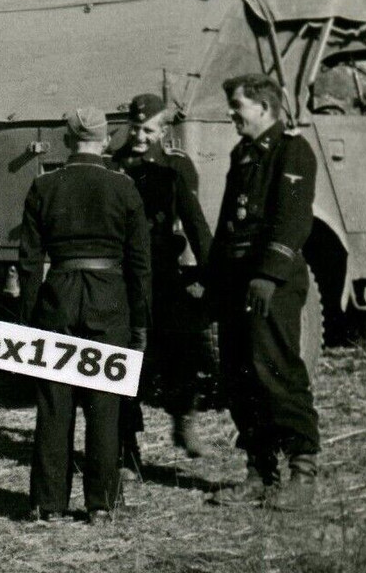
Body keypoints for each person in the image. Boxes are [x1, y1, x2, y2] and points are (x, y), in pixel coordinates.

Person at [18, 106, 152, 525]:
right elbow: (140, 264)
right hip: (109, 300)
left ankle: (47, 504)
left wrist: (28, 319)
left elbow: (27, 263)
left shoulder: (44, 186)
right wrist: (141, 321)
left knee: (54, 404)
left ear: (66, 138)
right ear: (105, 139)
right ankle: (102, 504)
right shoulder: (123, 186)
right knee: (104, 404)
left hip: (59, 296)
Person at [208, 74, 320, 511]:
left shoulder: (292, 150)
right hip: (239, 283)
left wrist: (268, 274)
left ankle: (302, 474)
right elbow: (227, 225)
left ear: (264, 107)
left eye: (238, 105)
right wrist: (214, 281)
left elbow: (293, 219)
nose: (232, 113)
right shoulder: (243, 154)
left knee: (275, 369)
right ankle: (259, 472)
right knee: (240, 375)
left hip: (269, 285)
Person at [110, 93, 214, 474]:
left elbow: (195, 222)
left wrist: (211, 273)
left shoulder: (176, 167)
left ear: (164, 130)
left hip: (165, 275)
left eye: (148, 129)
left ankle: (183, 420)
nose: (140, 136)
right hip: (124, 278)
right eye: (135, 128)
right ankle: (126, 446)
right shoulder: (115, 167)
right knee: (126, 362)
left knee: (181, 349)